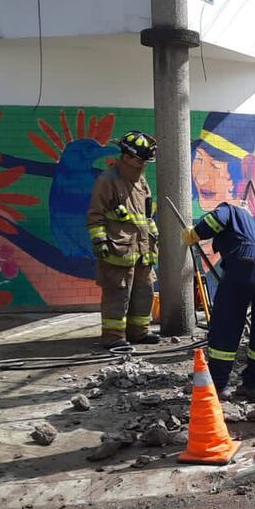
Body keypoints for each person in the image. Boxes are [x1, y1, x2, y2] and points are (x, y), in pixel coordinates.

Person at [183, 203, 255, 399]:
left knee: (226, 323)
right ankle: (254, 383)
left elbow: (214, 220)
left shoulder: (230, 210)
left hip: (247, 262)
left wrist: (195, 233)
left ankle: (217, 383)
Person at [87, 130, 161, 348]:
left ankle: (139, 332)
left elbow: (146, 216)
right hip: (118, 250)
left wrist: (154, 239)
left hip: (143, 249)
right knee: (117, 295)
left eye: (145, 162)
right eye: (140, 161)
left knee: (144, 293)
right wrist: (100, 242)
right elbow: (95, 215)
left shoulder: (142, 181)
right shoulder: (107, 180)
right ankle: (113, 338)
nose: (142, 166)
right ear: (127, 156)